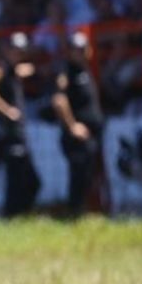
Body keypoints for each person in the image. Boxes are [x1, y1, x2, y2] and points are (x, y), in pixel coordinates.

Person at [0, 32, 40, 217]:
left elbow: (23, 69)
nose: (19, 55)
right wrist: (7, 111)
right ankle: (12, 218)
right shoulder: (1, 68)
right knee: (18, 182)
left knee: (29, 182)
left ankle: (19, 217)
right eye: (16, 51)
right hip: (10, 134)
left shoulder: (12, 69)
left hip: (18, 134)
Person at [52, 31, 105, 216]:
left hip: (92, 133)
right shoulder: (67, 72)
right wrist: (72, 125)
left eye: (82, 49)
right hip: (77, 137)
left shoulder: (87, 71)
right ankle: (74, 213)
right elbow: (59, 100)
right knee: (79, 175)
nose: (80, 53)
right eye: (76, 49)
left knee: (89, 176)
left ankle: (83, 211)